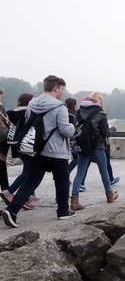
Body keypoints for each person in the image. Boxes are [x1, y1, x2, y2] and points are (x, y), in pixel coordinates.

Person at [2, 75, 76, 228]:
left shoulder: (32, 104)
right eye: (61, 89)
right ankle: (63, 211)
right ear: (56, 87)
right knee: (62, 180)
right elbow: (65, 131)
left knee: (31, 182)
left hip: (36, 150)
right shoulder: (60, 107)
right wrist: (73, 127)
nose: (62, 92)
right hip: (56, 151)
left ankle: (12, 210)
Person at [69, 93, 118, 211]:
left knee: (80, 173)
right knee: (104, 171)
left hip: (83, 146)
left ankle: (74, 201)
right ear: (99, 102)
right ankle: (109, 196)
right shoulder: (101, 114)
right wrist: (111, 130)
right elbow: (106, 132)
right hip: (98, 146)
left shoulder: (79, 112)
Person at [2, 93, 37, 210]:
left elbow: (8, 132)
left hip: (17, 146)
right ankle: (10, 192)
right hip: (27, 146)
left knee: (28, 172)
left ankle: (24, 197)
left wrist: (4, 151)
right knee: (28, 173)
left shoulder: (13, 113)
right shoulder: (27, 113)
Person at [65, 98, 78, 173]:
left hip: (65, 139)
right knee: (76, 159)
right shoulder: (72, 115)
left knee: (65, 159)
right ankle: (66, 174)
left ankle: (65, 175)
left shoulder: (64, 113)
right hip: (72, 140)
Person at [0, 89, 10, 192]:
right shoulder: (1, 107)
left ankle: (6, 190)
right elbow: (6, 122)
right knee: (2, 167)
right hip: (2, 138)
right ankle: (6, 190)